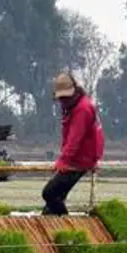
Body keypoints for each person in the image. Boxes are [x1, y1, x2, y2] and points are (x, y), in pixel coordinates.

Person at [42, 72, 104, 216]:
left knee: (49, 193)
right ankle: (50, 224)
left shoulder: (82, 109)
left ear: (74, 92)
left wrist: (64, 161)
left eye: (65, 98)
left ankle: (67, 224)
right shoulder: (72, 107)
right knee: (56, 199)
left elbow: (75, 138)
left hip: (80, 160)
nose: (63, 101)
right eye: (61, 98)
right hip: (80, 157)